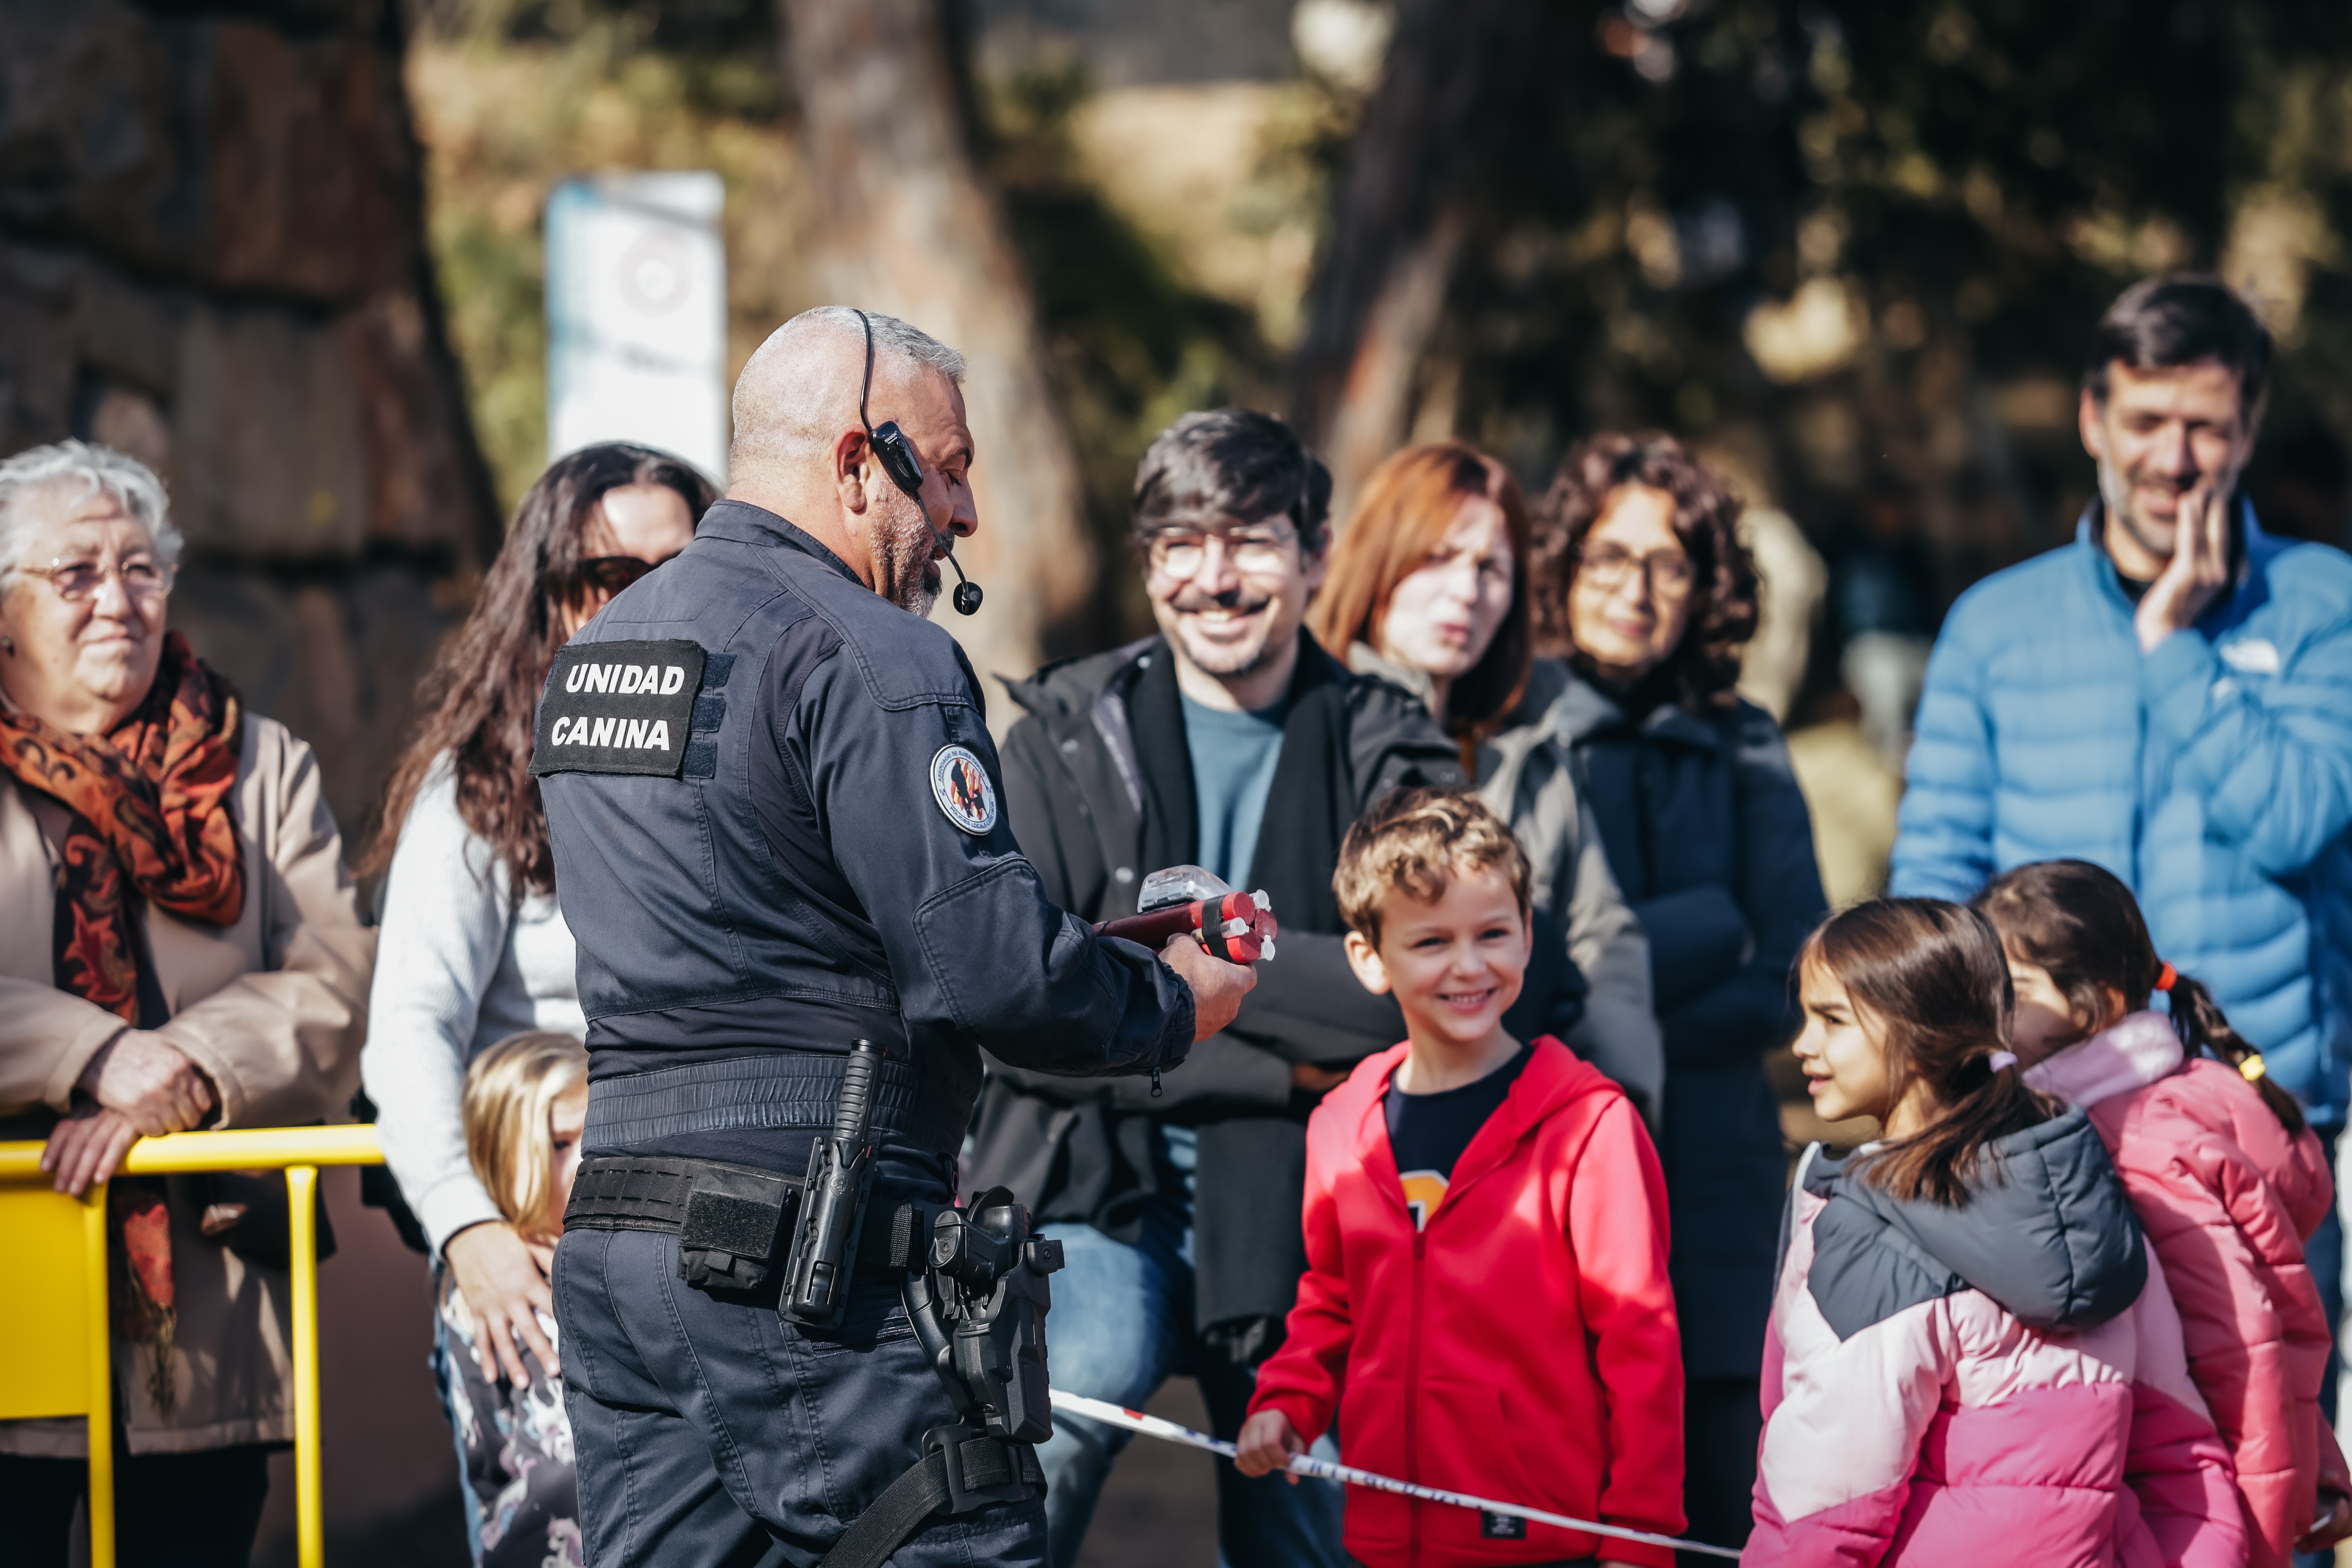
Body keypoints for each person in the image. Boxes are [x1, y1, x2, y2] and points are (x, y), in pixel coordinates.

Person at [535, 308, 1251, 1568]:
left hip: (618, 1256)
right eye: (954, 469)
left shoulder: (596, 659)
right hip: (816, 1265)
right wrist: (1173, 1000)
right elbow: (994, 974)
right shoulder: (874, 656)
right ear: (860, 463)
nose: (966, 512)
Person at [1892, 277, 2352, 1534]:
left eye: (2206, 425)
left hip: (2258, 1143)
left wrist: (2175, 646)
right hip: (2042, 1145)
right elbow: (1934, 877)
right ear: (2094, 419)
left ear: (2249, 429)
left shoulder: (2325, 607)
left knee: (2263, 1495)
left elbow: (2300, 816)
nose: (2173, 457)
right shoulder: (1996, 625)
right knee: (2063, 1494)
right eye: (2147, 421)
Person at [966, 408, 1465, 1568]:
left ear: (1317, 554)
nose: (1215, 577)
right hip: (1094, 1188)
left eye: (1249, 540)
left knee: (1309, 1503)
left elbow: (1417, 986)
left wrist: (1150, 970)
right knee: (1055, 1415)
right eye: (1181, 544)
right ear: (1148, 562)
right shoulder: (1063, 734)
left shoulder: (1388, 743)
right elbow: (1013, 1006)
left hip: (1318, 1212)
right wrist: (1280, 1061)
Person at [0, 440, 373, 1565]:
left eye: (141, 569)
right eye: (76, 573)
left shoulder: (261, 764)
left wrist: (193, 1068)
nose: (118, 600)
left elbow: (340, 973)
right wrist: (93, 1053)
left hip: (206, 1328)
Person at [360, 443, 710, 1562]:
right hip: (541, 1254)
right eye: (609, 576)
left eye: (680, 568)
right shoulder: (478, 793)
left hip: (725, 1242)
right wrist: (469, 1230)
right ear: (547, 595)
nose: (647, 601)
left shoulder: (754, 759)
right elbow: (408, 1031)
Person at [1234, 788, 1683, 1568]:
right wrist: (1287, 1400)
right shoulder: (1340, 1124)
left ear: (1529, 934)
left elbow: (1640, 1340)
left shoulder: (1591, 1124)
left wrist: (1638, 1538)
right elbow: (1331, 1300)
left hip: (1545, 1545)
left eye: (1493, 933)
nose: (1470, 965)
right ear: (1369, 958)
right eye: (1433, 940)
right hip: (1384, 1541)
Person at [1521, 431, 1825, 1557]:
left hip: (1717, 1172)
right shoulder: (1515, 739)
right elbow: (1506, 974)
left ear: (1707, 587)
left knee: (1718, 1494)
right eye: (1608, 557)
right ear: (1562, 567)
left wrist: (1607, 1000)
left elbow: (1789, 969)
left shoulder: (1746, 744)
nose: (1636, 589)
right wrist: (1699, 932)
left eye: (1669, 563)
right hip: (1548, 1164)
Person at [1749, 898, 2245, 1567]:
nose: (1803, 1044)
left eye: (1833, 1020)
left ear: (1921, 1030)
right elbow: (2184, 1464)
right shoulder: (2091, 1201)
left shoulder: (1875, 1238)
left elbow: (1819, 1520)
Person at [1976, 859, 2352, 1566]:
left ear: (2096, 1004)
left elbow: (2237, 1349)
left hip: (2190, 1506)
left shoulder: (2139, 1142)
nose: (1989, 1015)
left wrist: (2253, 1527)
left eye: (2014, 992)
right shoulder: (2142, 1103)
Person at [1310, 438, 1662, 1118]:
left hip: (1532, 1127)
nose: (1467, 592)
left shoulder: (1534, 744)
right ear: (1380, 557)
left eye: (1491, 568)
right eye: (1438, 557)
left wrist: (1615, 1110)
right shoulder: (1313, 721)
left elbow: (1604, 943)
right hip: (1354, 1132)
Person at [437, 1031, 592, 1568]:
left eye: (596, 1135)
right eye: (560, 1145)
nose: (588, 1160)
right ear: (501, 1159)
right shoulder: (493, 1286)